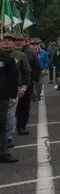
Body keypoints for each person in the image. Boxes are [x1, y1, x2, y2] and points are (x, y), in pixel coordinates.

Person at [0, 33, 21, 162]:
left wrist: (13, 96)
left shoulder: (5, 58)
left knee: (1, 123)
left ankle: (3, 152)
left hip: (2, 96)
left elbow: (14, 78)